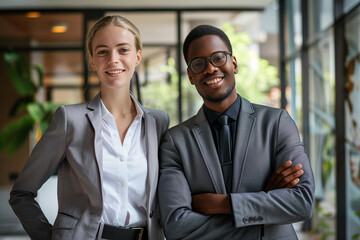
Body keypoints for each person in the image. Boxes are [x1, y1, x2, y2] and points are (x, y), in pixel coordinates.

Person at [9, 15, 169, 240]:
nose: (113, 59)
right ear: (92, 61)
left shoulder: (158, 122)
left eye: (123, 50)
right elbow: (21, 193)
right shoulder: (69, 119)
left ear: (138, 56)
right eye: (103, 51)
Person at [157, 25, 315, 240]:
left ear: (234, 63)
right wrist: (264, 206)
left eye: (218, 58)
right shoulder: (175, 141)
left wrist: (223, 204)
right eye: (198, 63)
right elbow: (176, 226)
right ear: (190, 76)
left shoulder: (276, 123)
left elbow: (302, 202)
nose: (210, 68)